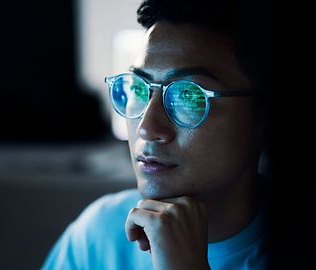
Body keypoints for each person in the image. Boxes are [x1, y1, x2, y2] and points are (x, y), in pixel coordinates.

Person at [42, 0, 278, 269]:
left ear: (264, 117)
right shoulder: (100, 235)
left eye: (189, 96)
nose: (146, 128)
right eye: (139, 89)